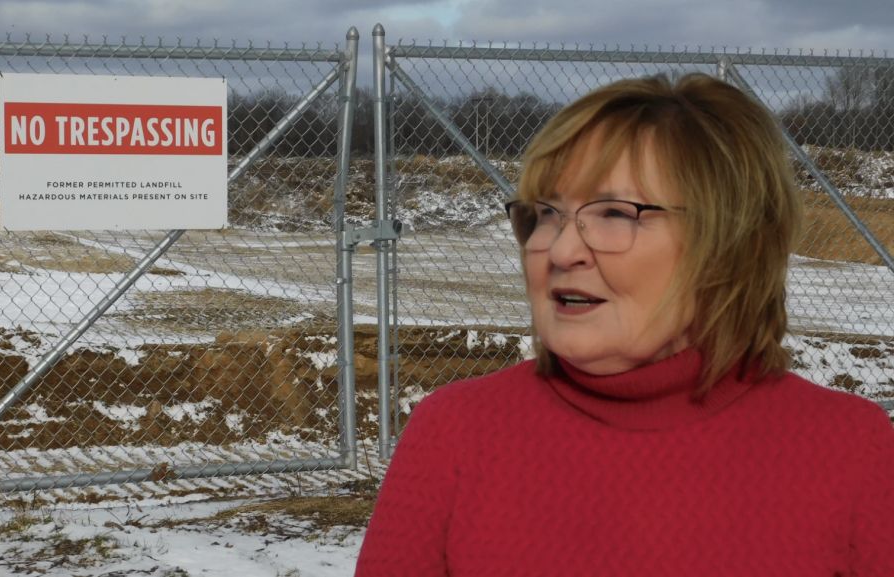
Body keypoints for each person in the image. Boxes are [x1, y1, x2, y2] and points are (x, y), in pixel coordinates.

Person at [354, 73, 894, 576]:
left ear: (729, 244)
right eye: (545, 213)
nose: (562, 249)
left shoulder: (850, 454)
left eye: (614, 213)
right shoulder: (456, 437)